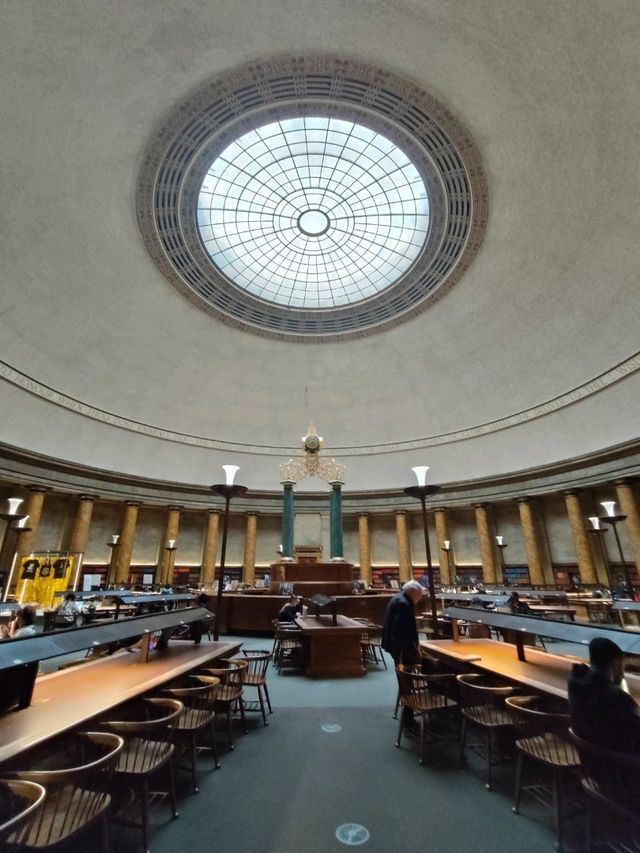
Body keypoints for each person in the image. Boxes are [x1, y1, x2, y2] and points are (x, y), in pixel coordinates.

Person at [568, 637, 640, 753]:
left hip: (590, 758)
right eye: (623, 666)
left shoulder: (574, 683)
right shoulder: (617, 698)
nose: (623, 671)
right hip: (619, 765)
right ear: (615, 663)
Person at [382, 580, 426, 734]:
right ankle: (408, 721)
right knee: (407, 685)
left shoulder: (398, 598)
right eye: (420, 595)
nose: (420, 598)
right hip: (402, 652)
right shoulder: (404, 604)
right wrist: (402, 654)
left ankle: (408, 717)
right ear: (413, 592)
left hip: (399, 650)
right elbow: (398, 631)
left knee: (405, 683)